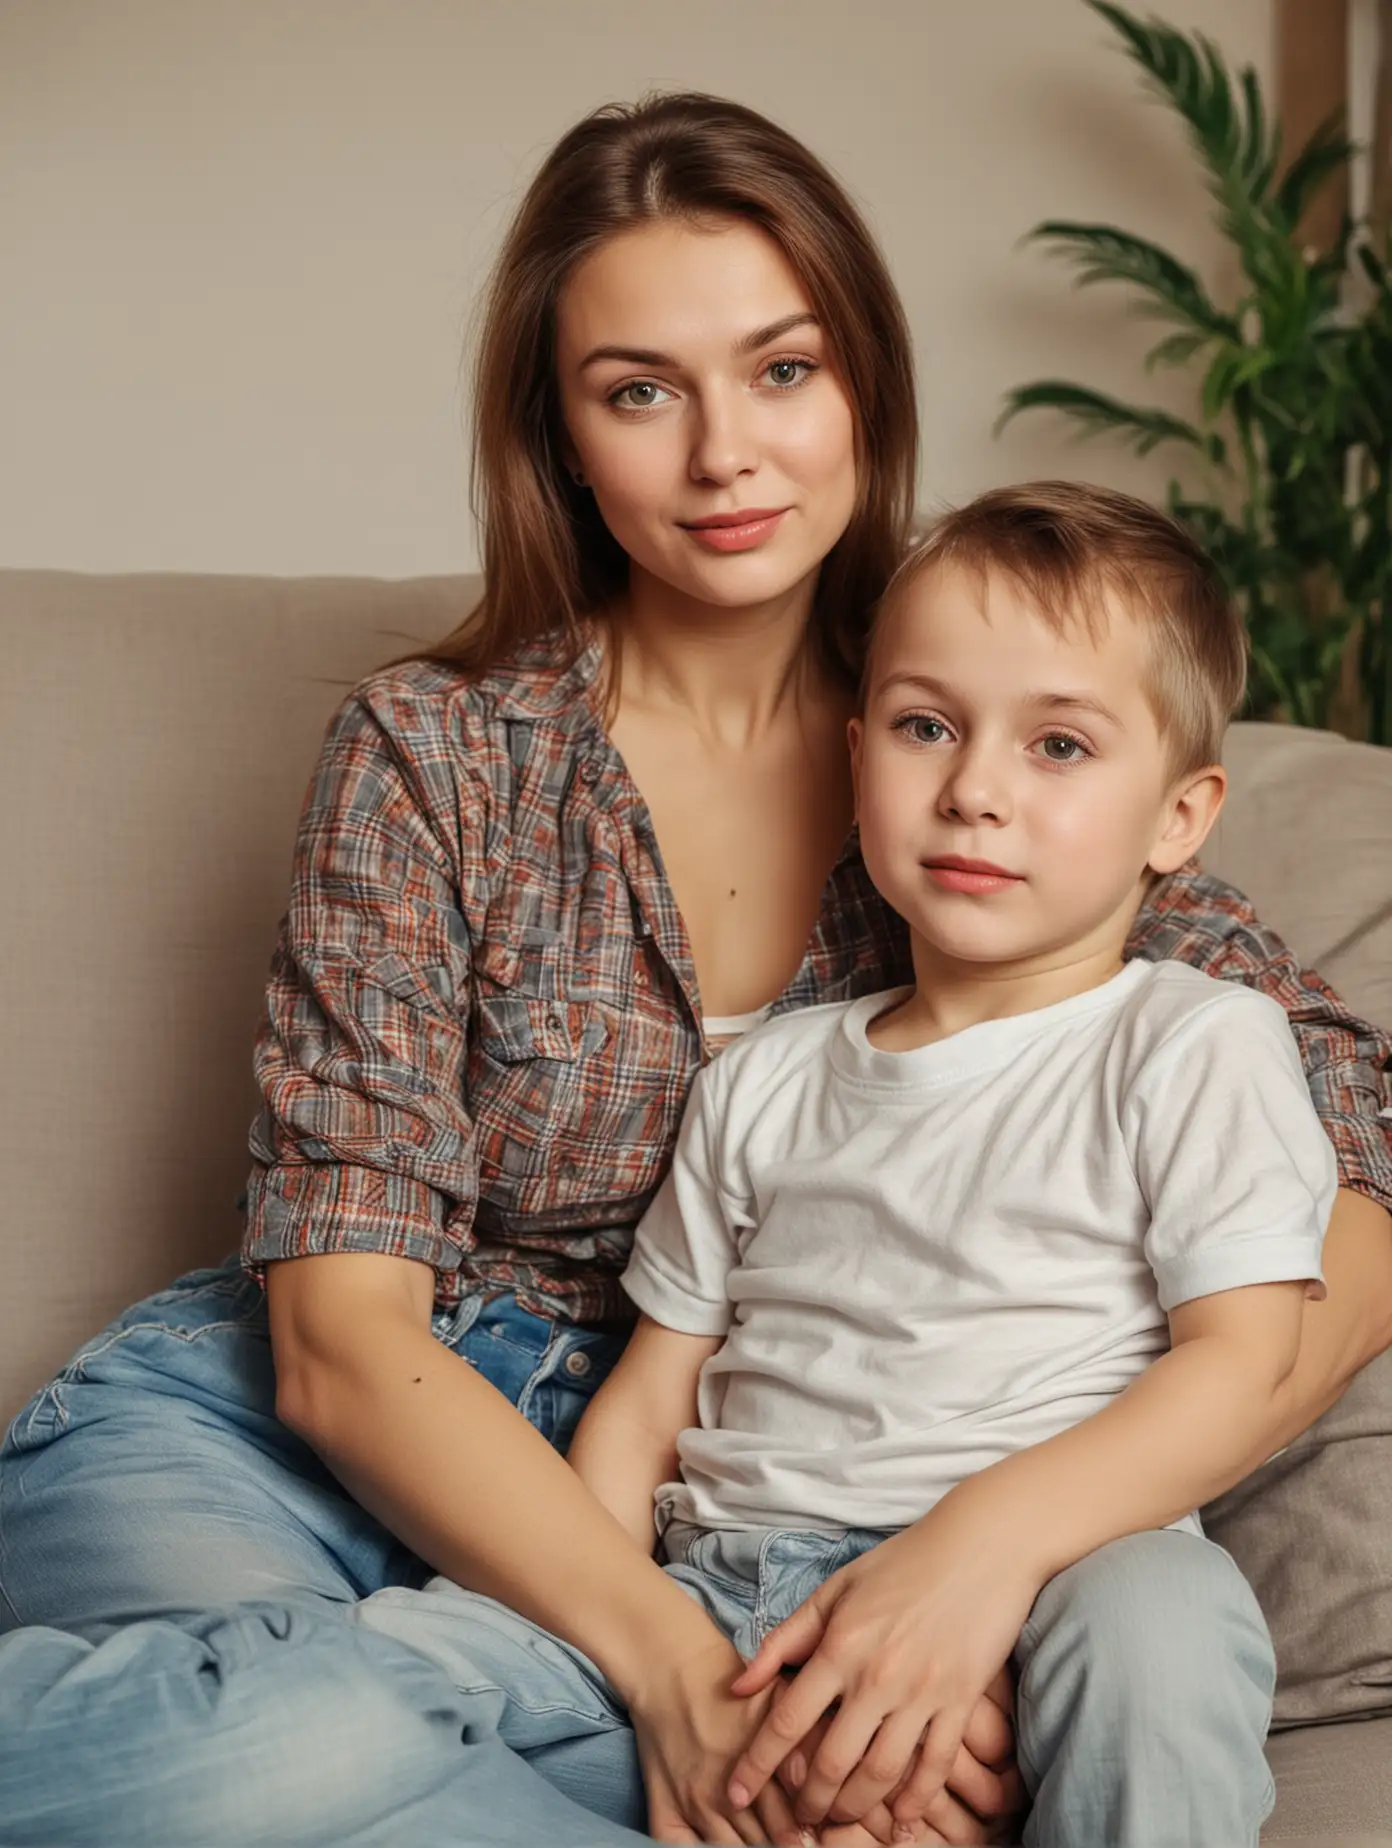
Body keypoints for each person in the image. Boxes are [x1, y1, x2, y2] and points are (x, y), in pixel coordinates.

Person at [0, 93, 1388, 1848]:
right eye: (640, 389)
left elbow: (1346, 1171)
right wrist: (672, 1664)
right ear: (563, 438)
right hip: (280, 1451)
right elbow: (342, 1348)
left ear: (865, 386)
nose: (725, 452)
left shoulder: (982, 740)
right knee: (277, 1756)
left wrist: (984, 1553)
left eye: (782, 370)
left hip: (734, 1508)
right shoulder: (439, 752)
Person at [354, 482, 1335, 1848]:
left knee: (1163, 1628)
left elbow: (1241, 1362)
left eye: (1059, 745)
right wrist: (597, 1633)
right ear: (858, 753)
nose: (976, 789)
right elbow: (647, 1405)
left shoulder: (1196, 1044)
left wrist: (983, 1547)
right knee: (377, 1676)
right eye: (928, 728)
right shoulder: (766, 1079)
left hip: (1044, 1583)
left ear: (1180, 817)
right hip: (721, 1594)